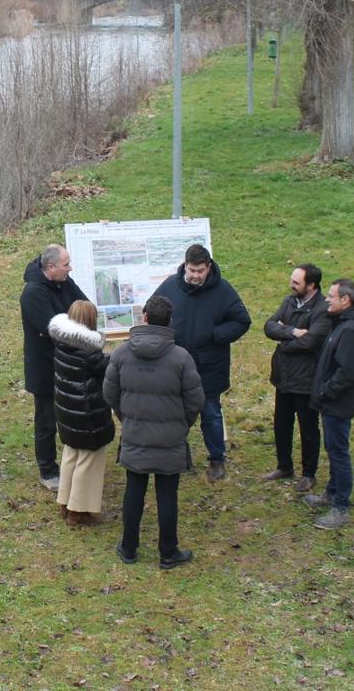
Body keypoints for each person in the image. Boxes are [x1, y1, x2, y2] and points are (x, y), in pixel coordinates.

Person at [103, 295, 204, 569]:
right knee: (167, 494)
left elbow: (109, 393)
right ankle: (168, 553)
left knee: (134, 489)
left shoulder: (122, 353)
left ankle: (128, 548)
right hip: (170, 438)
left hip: (135, 433)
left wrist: (127, 418)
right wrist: (181, 424)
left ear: (144, 317)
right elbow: (195, 400)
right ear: (169, 321)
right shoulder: (181, 358)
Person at [150, 244, 251, 482]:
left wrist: (215, 335)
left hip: (209, 367)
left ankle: (217, 459)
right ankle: (179, 456)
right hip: (174, 366)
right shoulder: (169, 287)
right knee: (175, 415)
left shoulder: (223, 291)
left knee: (211, 414)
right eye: (192, 270)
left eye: (200, 271)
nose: (195, 275)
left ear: (209, 268)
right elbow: (152, 312)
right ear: (185, 265)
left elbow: (242, 321)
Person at [21, 244, 88, 491]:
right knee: (47, 421)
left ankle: (75, 463)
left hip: (70, 363)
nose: (70, 268)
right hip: (45, 368)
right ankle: (48, 470)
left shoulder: (64, 282)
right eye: (66, 264)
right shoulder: (33, 294)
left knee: (74, 415)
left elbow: (84, 307)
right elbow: (54, 331)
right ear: (50, 268)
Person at [305, 278, 354, 530]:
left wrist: (324, 391)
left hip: (337, 404)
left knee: (339, 453)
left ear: (346, 300)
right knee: (333, 450)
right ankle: (331, 493)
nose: (327, 300)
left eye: (332, 296)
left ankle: (340, 506)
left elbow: (347, 372)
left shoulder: (351, 330)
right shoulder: (341, 324)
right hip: (331, 401)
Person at [262, 264, 331, 493]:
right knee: (281, 424)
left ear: (311, 285)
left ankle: (308, 473)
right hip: (283, 377)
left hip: (306, 380)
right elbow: (269, 326)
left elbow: (312, 342)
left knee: (308, 429)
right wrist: (293, 332)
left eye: (296, 282)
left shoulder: (322, 309)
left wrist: (284, 341)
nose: (291, 285)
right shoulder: (289, 301)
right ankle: (284, 467)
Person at [49, 301, 114, 526]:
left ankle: (64, 502)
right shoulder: (89, 353)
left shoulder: (61, 343)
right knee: (89, 460)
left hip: (68, 413)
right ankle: (78, 510)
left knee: (71, 455)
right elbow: (109, 369)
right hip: (88, 415)